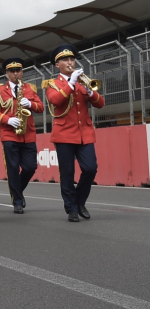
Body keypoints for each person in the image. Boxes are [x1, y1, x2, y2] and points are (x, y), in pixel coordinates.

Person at [44, 45, 106, 222]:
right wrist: (71, 83)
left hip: (84, 133)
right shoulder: (52, 84)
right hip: (64, 134)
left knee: (90, 168)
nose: (70, 62)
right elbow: (55, 100)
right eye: (65, 60)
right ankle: (71, 207)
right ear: (57, 65)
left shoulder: (82, 82)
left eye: (71, 59)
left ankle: (79, 201)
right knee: (68, 172)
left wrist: (90, 91)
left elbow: (100, 104)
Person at [0, 58, 44, 214]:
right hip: (9, 135)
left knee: (30, 167)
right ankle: (17, 200)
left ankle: (16, 189)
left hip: (28, 133)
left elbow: (41, 107)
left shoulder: (30, 89)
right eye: (12, 71)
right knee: (12, 168)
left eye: (18, 70)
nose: (16, 73)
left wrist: (30, 104)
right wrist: (6, 119)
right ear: (7, 73)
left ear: (22, 72)